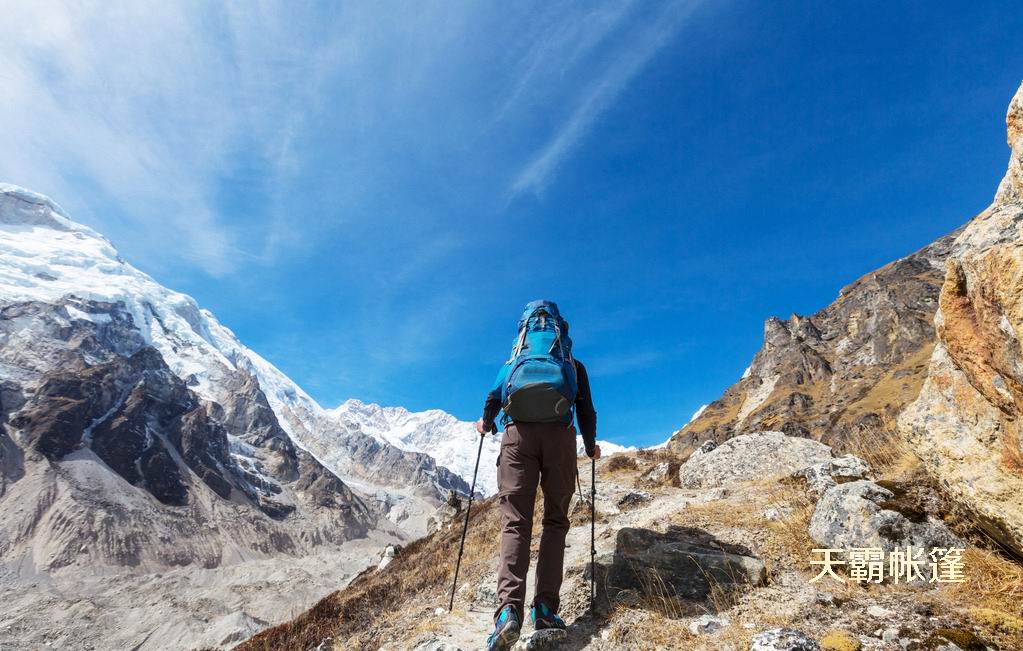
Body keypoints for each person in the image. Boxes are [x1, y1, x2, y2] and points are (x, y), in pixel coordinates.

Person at [476, 300, 599, 651]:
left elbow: (493, 398)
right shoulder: (572, 365)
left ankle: (507, 614)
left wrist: (486, 424)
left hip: (518, 439)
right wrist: (590, 447)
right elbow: (586, 410)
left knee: (515, 523)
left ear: (525, 329)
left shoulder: (515, 361)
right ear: (561, 329)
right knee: (555, 523)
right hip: (559, 438)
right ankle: (545, 610)